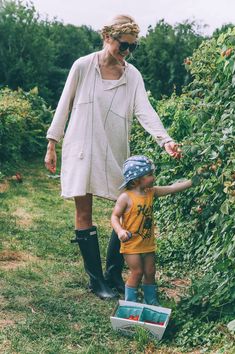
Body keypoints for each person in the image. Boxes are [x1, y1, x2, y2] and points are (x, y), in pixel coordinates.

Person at [44, 14, 181, 300]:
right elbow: (64, 104)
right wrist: (52, 142)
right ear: (108, 38)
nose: (127, 52)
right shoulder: (83, 66)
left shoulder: (132, 76)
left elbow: (145, 111)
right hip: (82, 147)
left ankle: (113, 273)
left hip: (115, 147)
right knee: (84, 211)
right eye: (123, 45)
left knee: (127, 207)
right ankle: (97, 280)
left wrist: (165, 139)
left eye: (133, 47)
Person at [111, 155, 193, 304]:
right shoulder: (125, 197)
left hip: (147, 243)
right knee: (137, 272)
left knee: (150, 272)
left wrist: (192, 182)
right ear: (137, 180)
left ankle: (151, 301)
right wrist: (120, 231)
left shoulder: (151, 192)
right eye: (149, 175)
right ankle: (131, 303)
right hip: (131, 245)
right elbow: (114, 217)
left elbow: (172, 188)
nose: (153, 177)